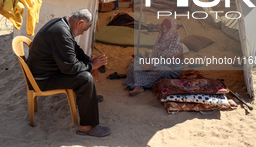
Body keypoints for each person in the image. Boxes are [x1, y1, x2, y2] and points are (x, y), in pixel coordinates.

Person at [27, 9, 110, 137]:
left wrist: (88, 60)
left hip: (47, 72)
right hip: (42, 80)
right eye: (84, 29)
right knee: (85, 79)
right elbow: (70, 68)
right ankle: (86, 127)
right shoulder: (61, 32)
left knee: (85, 72)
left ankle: (88, 99)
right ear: (80, 22)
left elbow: (74, 48)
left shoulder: (62, 23)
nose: (82, 33)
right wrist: (92, 66)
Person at [123, 17, 184, 96]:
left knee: (164, 70)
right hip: (157, 64)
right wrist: (149, 63)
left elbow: (168, 62)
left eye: (167, 29)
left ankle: (139, 85)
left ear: (172, 29)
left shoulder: (177, 43)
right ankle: (139, 85)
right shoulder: (161, 36)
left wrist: (153, 65)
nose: (164, 31)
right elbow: (155, 52)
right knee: (136, 65)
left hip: (171, 68)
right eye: (163, 28)